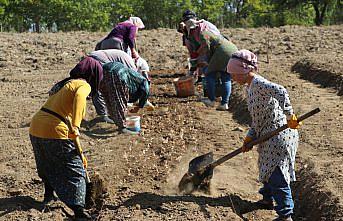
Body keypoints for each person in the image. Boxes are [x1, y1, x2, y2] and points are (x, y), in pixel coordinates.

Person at [227, 49, 300, 221]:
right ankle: (268, 200)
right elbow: (258, 118)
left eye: (234, 74)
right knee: (266, 167)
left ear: (244, 70)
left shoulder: (259, 83)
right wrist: (250, 137)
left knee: (277, 174)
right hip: (267, 134)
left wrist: (290, 115)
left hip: (280, 135)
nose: (233, 78)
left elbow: (281, 91)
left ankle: (285, 215)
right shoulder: (250, 87)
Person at [29, 78, 93, 220]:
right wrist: (76, 126)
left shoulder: (65, 87)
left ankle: (49, 195)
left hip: (35, 126)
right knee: (76, 170)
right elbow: (80, 96)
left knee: (46, 163)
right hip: (54, 130)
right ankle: (79, 211)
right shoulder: (83, 84)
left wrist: (81, 154)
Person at [184, 18, 238, 111]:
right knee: (226, 76)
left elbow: (206, 49)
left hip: (222, 51)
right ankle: (225, 103)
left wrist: (203, 62)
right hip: (231, 49)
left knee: (209, 74)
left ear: (194, 28)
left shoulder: (202, 34)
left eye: (192, 30)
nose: (192, 32)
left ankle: (211, 100)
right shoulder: (207, 30)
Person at [88, 49, 137, 124]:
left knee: (96, 85)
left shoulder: (126, 58)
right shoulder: (132, 66)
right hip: (101, 60)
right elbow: (130, 83)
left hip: (92, 57)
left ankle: (103, 114)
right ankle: (117, 119)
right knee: (113, 90)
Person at [100, 61, 150, 132]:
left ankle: (114, 117)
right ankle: (122, 127)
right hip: (117, 73)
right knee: (119, 100)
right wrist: (139, 106)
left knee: (108, 97)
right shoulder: (144, 82)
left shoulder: (135, 79)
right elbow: (146, 91)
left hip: (104, 71)